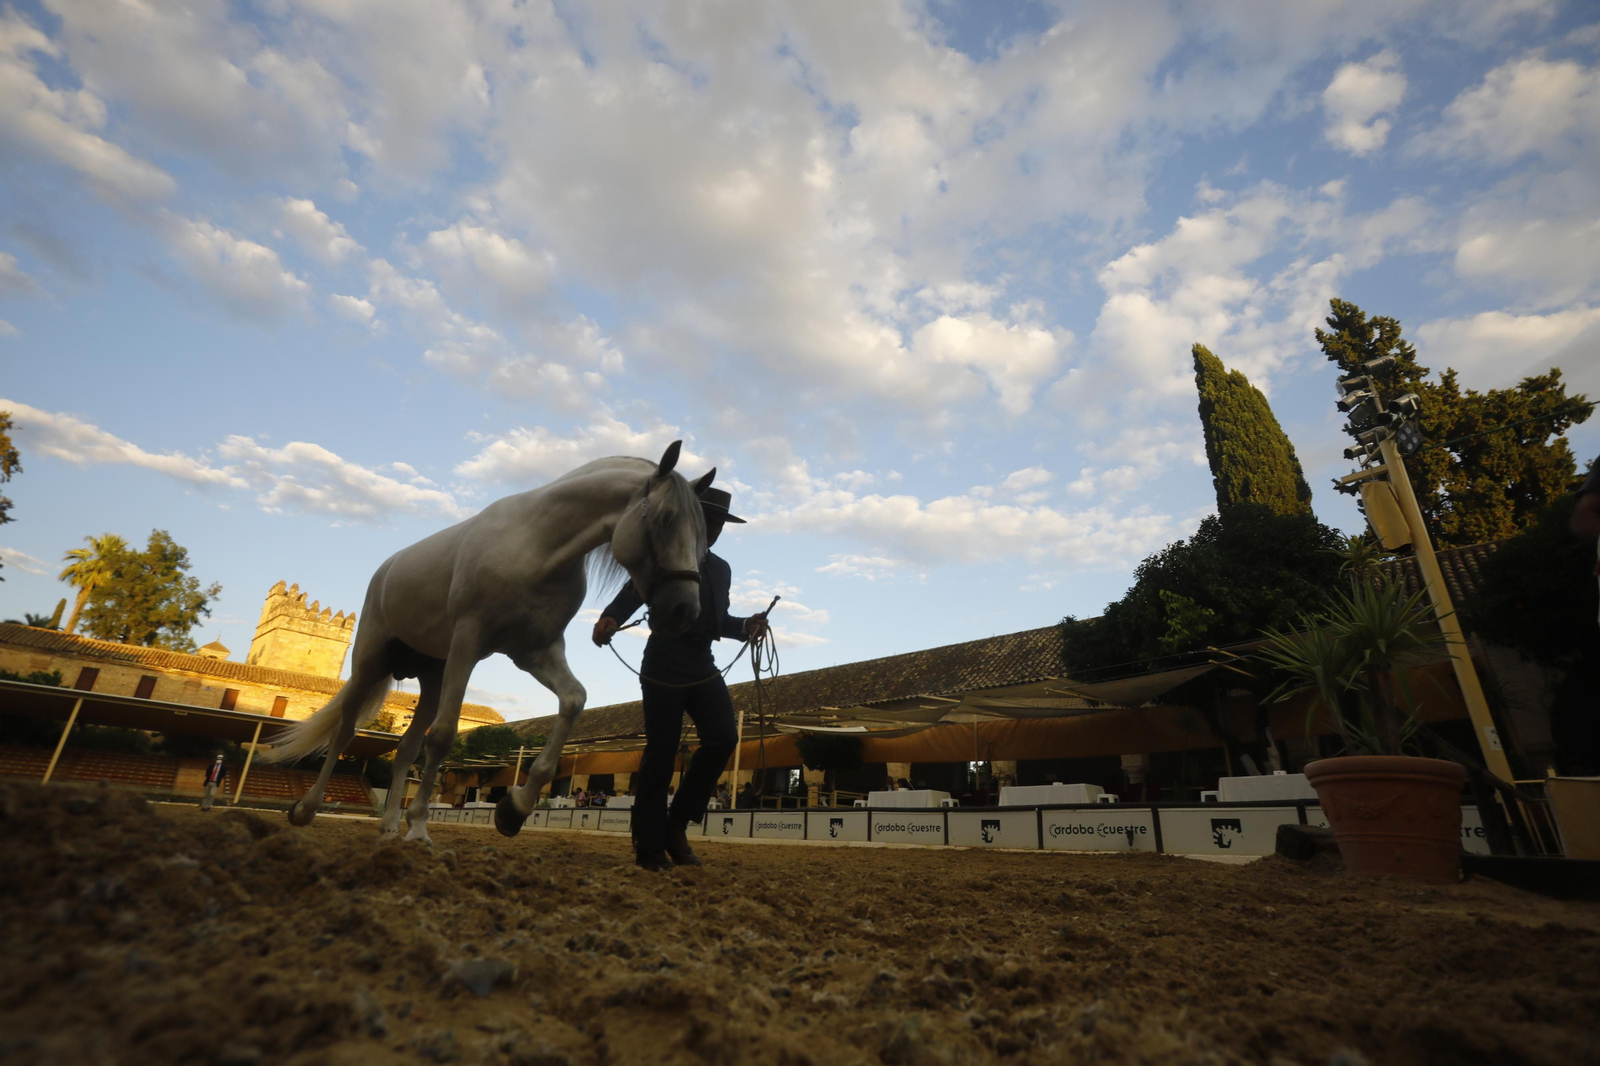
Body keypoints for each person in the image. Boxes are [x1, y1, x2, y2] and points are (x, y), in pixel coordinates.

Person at [594, 485, 768, 870]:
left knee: (723, 737)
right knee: (662, 749)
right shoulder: (664, 555)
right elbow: (632, 593)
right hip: (663, 657)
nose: (715, 528)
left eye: (720, 523)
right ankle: (649, 844)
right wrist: (611, 616)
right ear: (693, 520)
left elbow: (718, 620)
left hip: (702, 662)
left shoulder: (721, 569)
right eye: (709, 520)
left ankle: (677, 825)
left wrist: (747, 625)